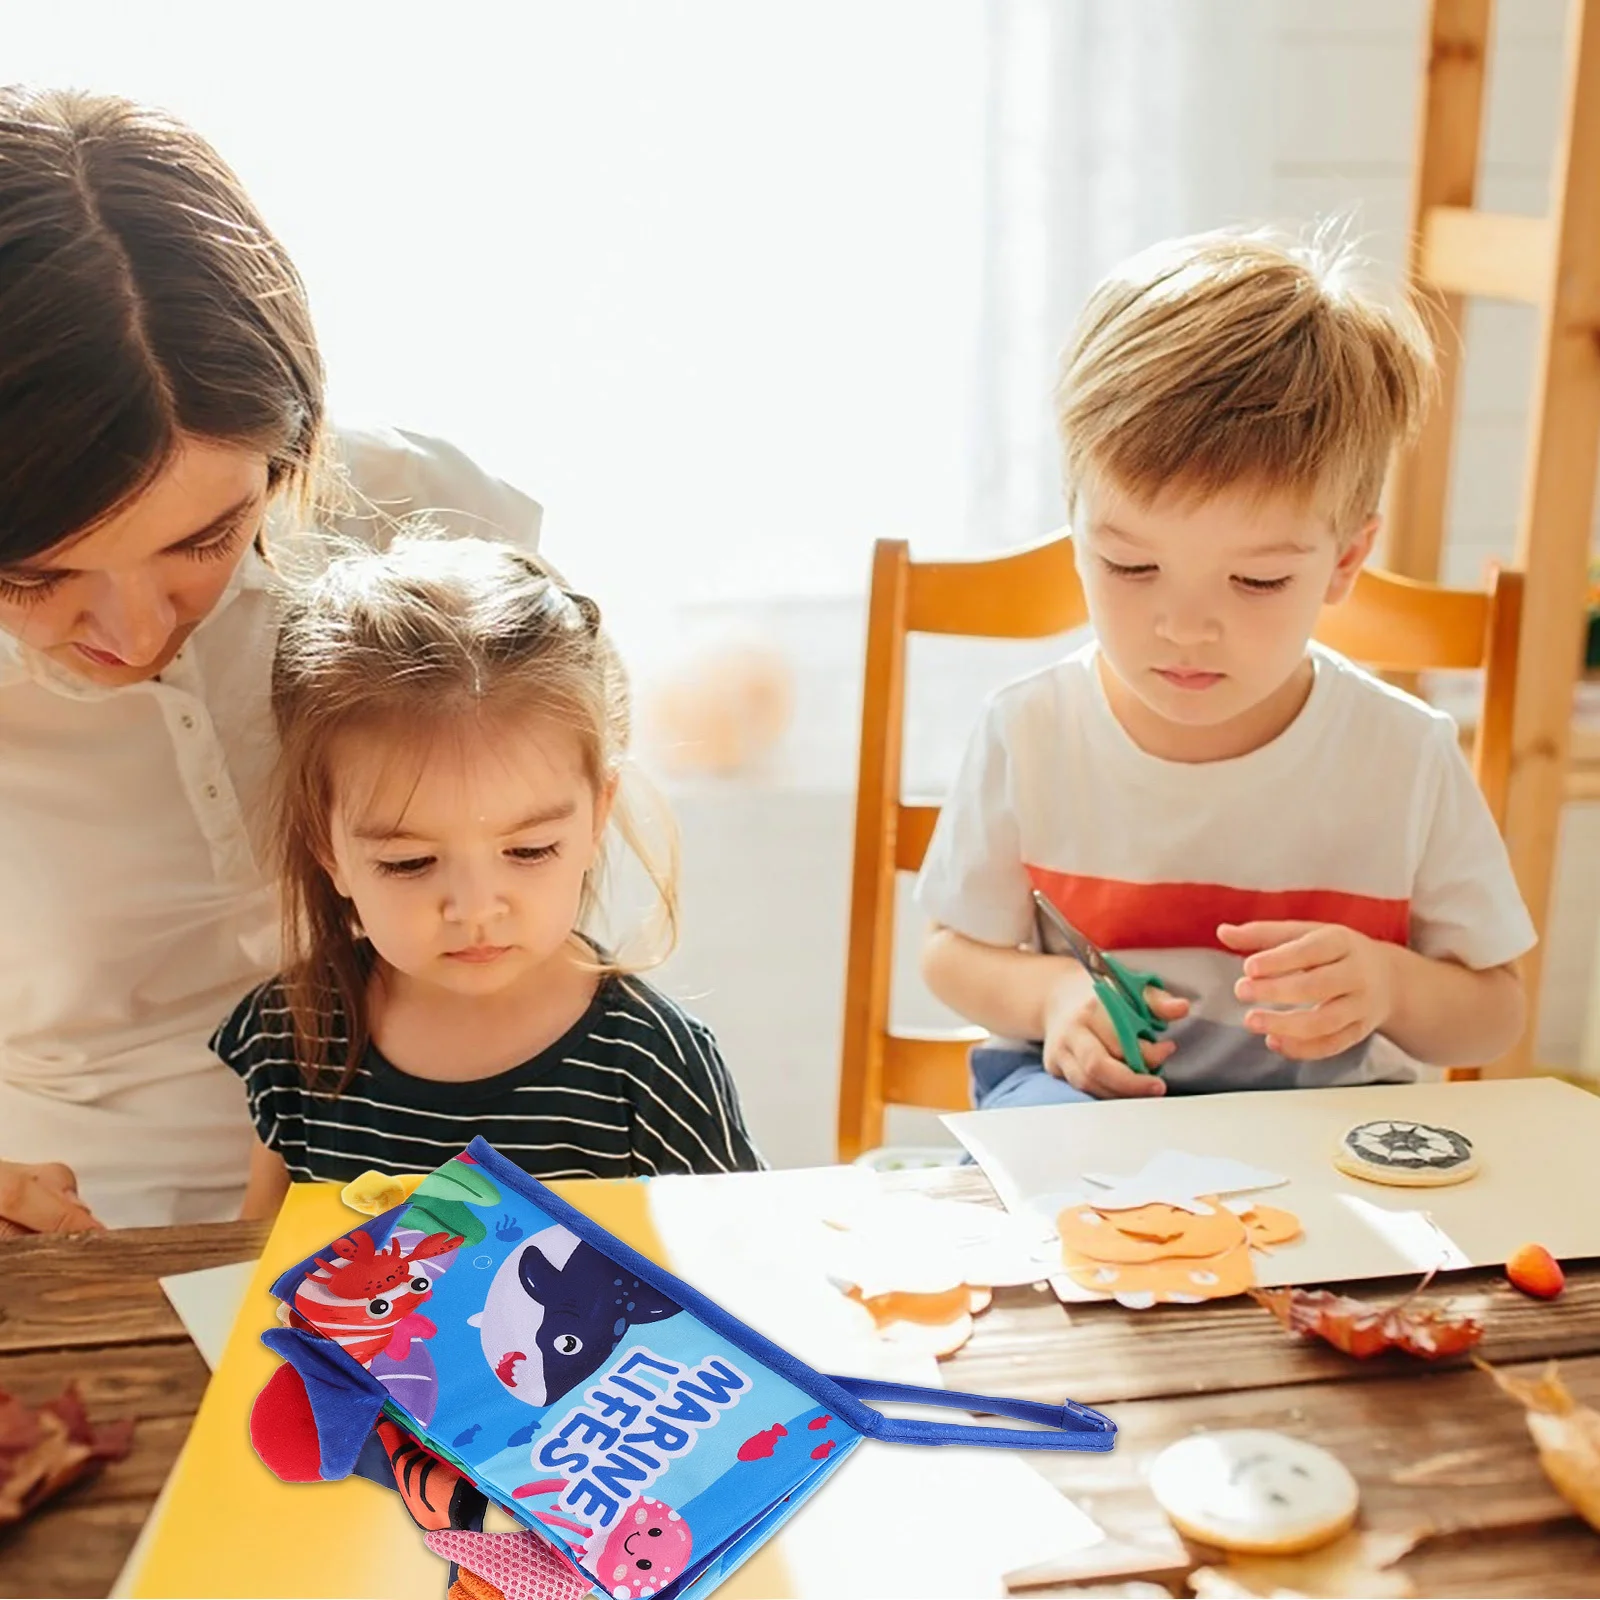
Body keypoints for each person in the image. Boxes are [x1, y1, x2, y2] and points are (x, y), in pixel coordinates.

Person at [0, 86, 544, 1230]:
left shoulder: (420, 522)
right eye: (38, 577)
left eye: (204, 540)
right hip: (77, 1237)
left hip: (443, 1213)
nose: (136, 634)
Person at [917, 226, 1535, 1109]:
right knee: (1054, 1154)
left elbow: (1495, 1012)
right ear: (1076, 531)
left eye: (1257, 581)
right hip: (1084, 1106)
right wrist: (1051, 995)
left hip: (1322, 1120)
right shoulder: (1030, 731)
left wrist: (1392, 986)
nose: (1185, 629)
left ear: (1346, 562)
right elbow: (949, 952)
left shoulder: (1403, 756)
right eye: (1131, 565)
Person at [211, 533, 761, 1217]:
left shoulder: (650, 1064)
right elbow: (257, 1254)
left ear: (597, 818)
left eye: (528, 851)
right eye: (410, 862)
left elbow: (740, 1259)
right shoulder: (296, 1030)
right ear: (327, 848)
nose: (474, 908)